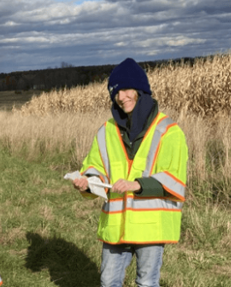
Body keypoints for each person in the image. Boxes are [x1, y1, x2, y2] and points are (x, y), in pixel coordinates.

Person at [73, 57, 188, 287]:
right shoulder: (106, 131)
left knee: (146, 283)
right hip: (116, 227)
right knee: (108, 282)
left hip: (151, 226)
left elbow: (175, 178)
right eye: (116, 92)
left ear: (141, 90)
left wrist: (137, 184)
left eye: (126, 89)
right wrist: (88, 182)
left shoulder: (168, 131)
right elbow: (96, 167)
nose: (121, 97)